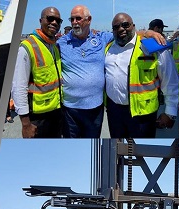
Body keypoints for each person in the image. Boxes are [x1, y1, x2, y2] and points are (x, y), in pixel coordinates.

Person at [104, 14, 177, 138]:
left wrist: (170, 112)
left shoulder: (153, 47)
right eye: (116, 27)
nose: (121, 29)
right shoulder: (108, 48)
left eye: (125, 25)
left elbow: (170, 80)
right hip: (114, 112)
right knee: (118, 147)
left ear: (133, 26)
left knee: (138, 150)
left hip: (143, 115)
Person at [57, 5, 112, 138]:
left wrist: (149, 33)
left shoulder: (102, 38)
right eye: (72, 19)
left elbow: (125, 34)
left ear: (89, 20)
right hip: (70, 110)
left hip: (95, 109)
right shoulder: (61, 43)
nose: (74, 22)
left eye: (78, 18)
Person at [11, 7, 63, 138]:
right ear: (41, 21)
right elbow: (18, 87)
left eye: (58, 20)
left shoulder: (54, 47)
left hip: (56, 114)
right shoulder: (27, 48)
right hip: (37, 118)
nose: (54, 23)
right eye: (50, 19)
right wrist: (26, 124)